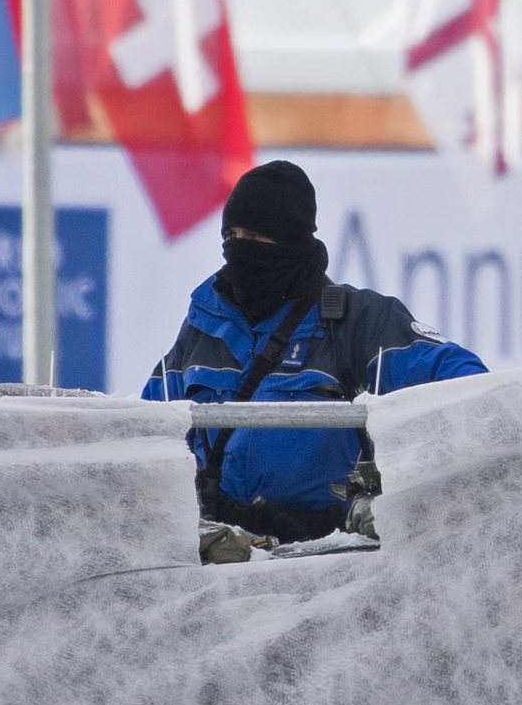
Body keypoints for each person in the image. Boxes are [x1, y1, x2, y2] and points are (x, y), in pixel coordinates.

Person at [144, 160, 484, 539]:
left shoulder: (356, 323)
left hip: (328, 570)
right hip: (218, 568)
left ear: (291, 241)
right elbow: (142, 435)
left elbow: (466, 386)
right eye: (231, 236)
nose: (240, 250)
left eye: (254, 238)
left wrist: (401, 492)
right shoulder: (202, 328)